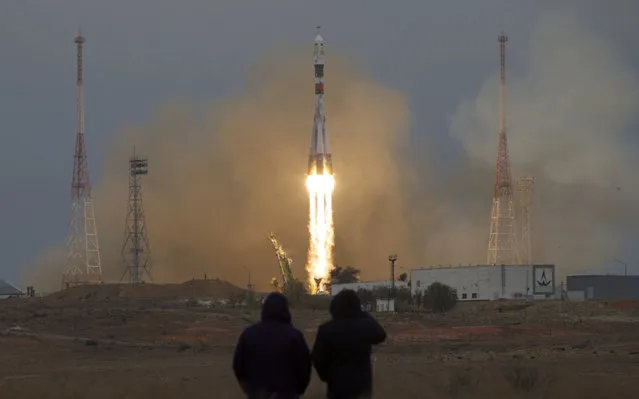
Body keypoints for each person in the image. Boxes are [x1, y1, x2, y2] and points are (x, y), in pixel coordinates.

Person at [233, 292, 312, 399]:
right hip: (287, 394)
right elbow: (304, 367)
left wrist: (249, 389)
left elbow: (238, 365)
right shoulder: (294, 336)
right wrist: (298, 390)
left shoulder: (248, 334)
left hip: (257, 393)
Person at [312, 289, 387, 398]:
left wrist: (327, 377)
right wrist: (363, 313)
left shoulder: (326, 329)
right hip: (361, 387)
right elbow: (381, 335)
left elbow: (318, 359)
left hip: (336, 387)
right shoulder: (365, 326)